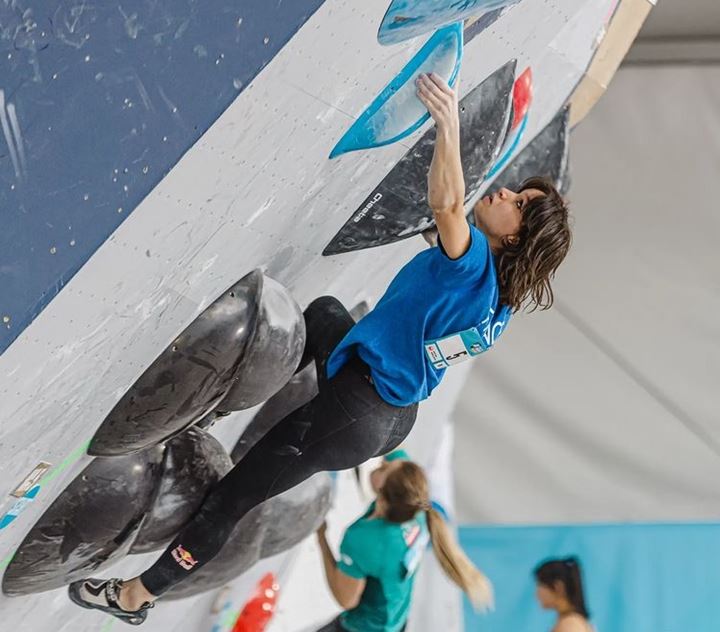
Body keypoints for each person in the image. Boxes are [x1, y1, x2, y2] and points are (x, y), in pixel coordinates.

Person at [68, 72, 572, 624]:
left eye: (518, 203)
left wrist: (448, 123)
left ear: (513, 238)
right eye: (517, 190)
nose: (505, 192)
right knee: (325, 313)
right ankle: (215, 408)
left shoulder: (471, 264)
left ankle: (136, 596)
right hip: (388, 410)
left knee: (233, 499)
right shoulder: (498, 302)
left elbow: (449, 206)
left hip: (356, 412)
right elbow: (443, 277)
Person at [315, 450, 492, 632]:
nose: (382, 463)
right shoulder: (414, 504)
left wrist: (321, 537)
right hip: (395, 620)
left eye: (383, 468)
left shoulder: (366, 540)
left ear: (383, 501)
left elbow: (346, 599)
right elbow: (394, 451)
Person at [534, 558, 594, 632]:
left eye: (540, 585)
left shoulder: (570, 625)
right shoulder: (572, 621)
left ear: (558, 587)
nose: (536, 594)